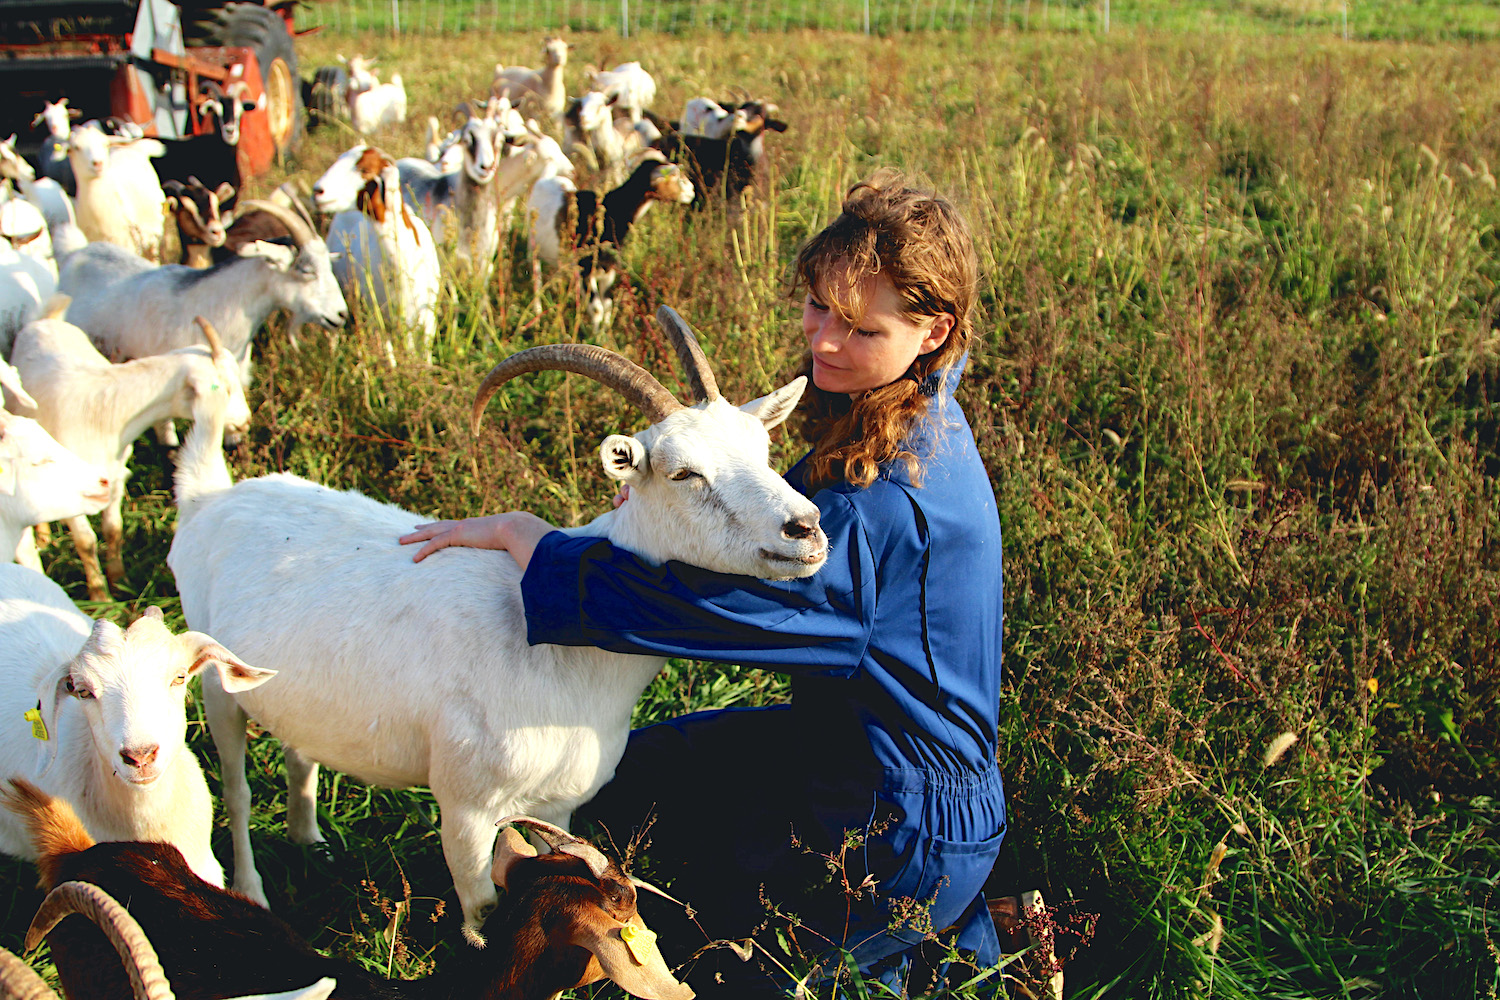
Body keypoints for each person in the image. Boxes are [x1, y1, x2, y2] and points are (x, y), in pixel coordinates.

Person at [399, 174, 1005, 997]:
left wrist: (537, 545)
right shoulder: (896, 407)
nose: (824, 341)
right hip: (847, 743)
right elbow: (752, 516)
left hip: (901, 820)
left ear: (933, 330)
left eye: (859, 326)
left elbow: (712, 608)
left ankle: (907, 943)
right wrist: (663, 506)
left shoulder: (886, 500)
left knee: (746, 976)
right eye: (818, 307)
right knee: (630, 774)